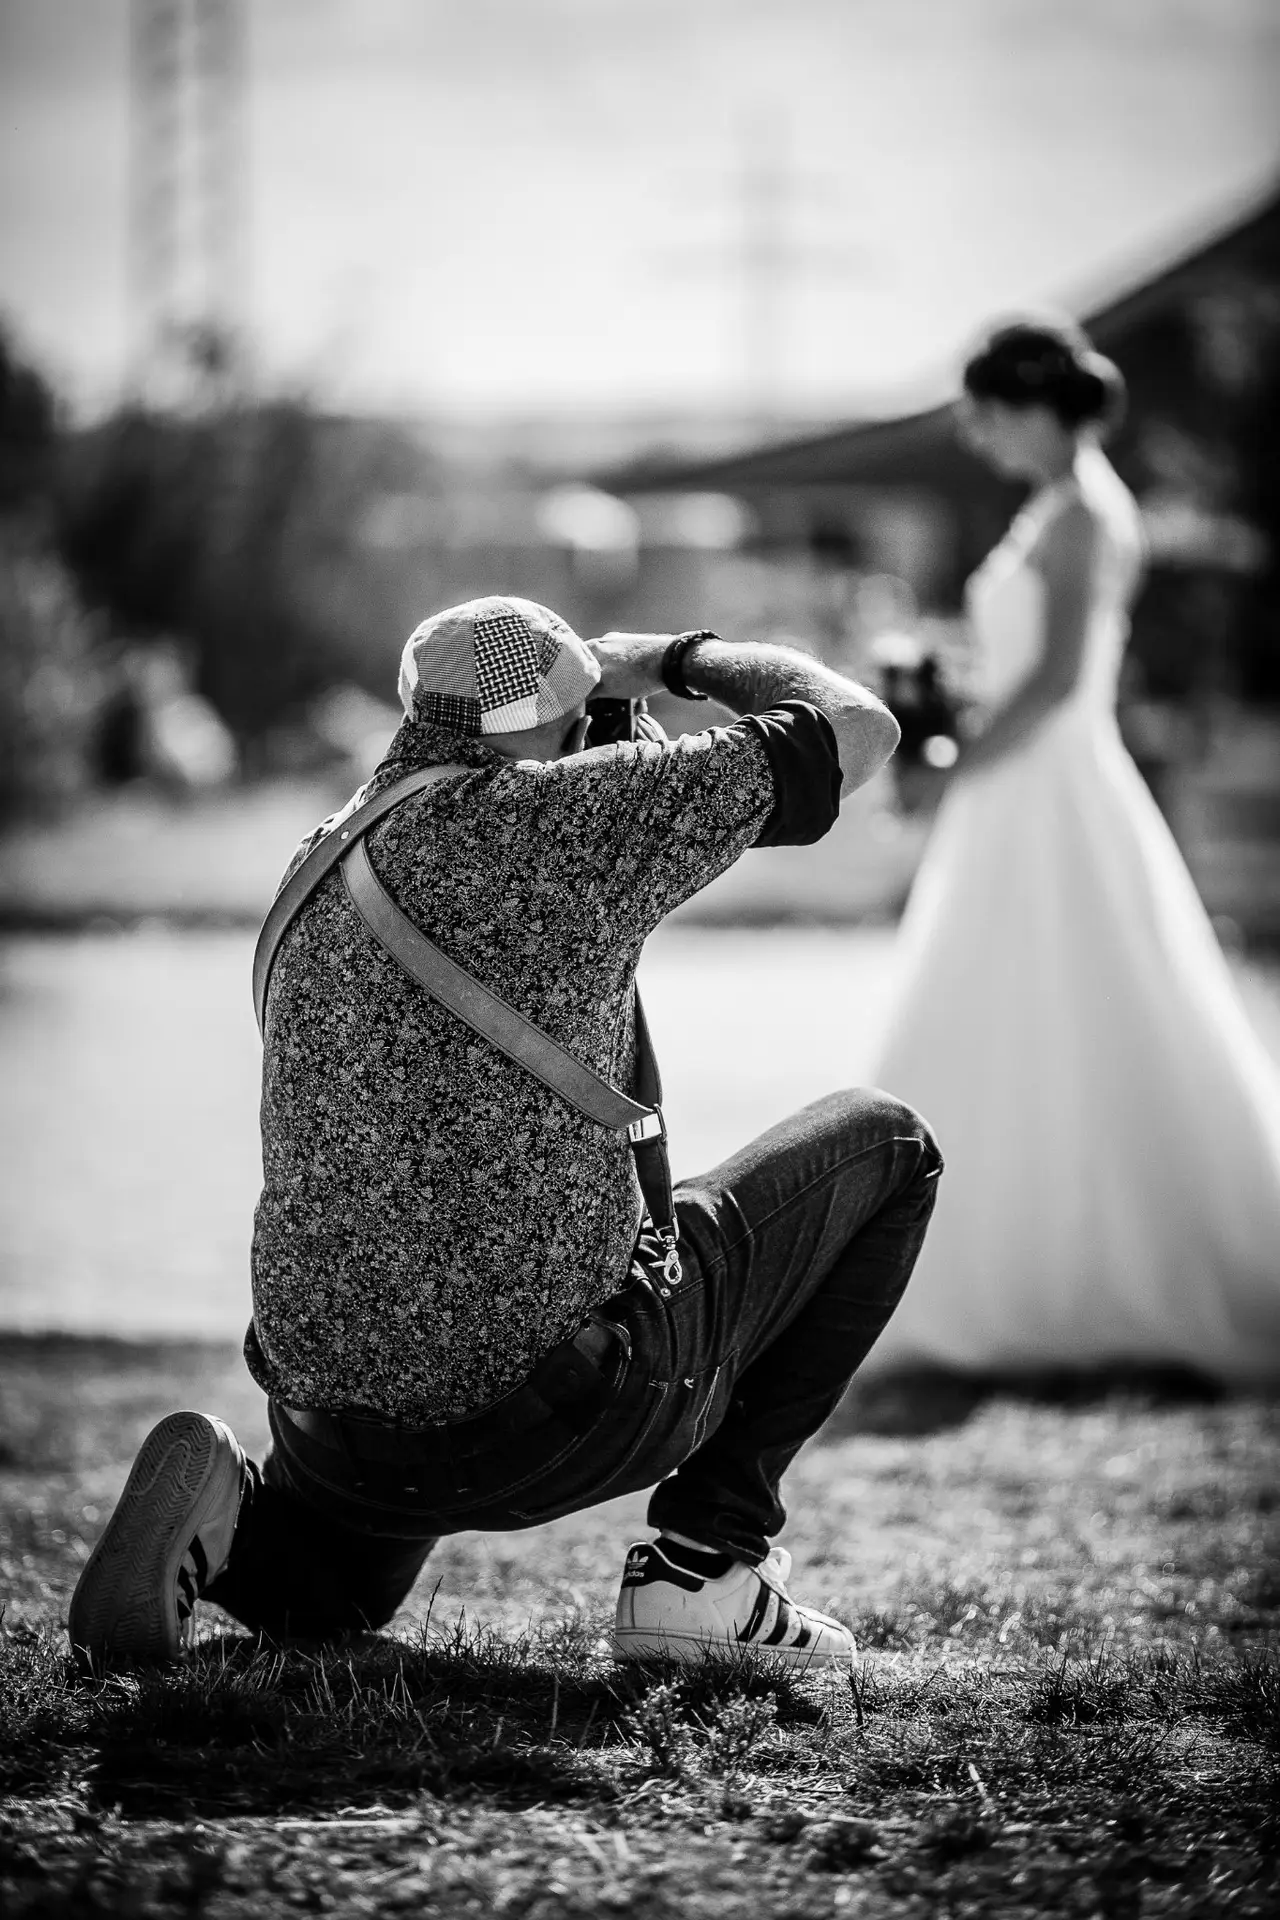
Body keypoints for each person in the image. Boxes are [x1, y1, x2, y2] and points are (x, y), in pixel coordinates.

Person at [70, 598, 941, 1670]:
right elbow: (857, 728)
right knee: (888, 1145)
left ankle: (241, 1523)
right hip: (549, 1415)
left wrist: (588, 723)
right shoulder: (554, 821)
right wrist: (670, 658)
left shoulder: (322, 854)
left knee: (334, 1597)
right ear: (560, 720)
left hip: (333, 1430)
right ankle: (704, 1569)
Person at [864, 319, 1280, 1380]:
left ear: (1032, 407)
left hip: (1049, 784)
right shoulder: (1056, 507)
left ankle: (1085, 1274)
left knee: (1076, 992)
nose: (976, 434)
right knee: (1002, 999)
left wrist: (955, 763)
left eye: (985, 413)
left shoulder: (1087, 512)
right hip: (1021, 783)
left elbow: (1054, 682)